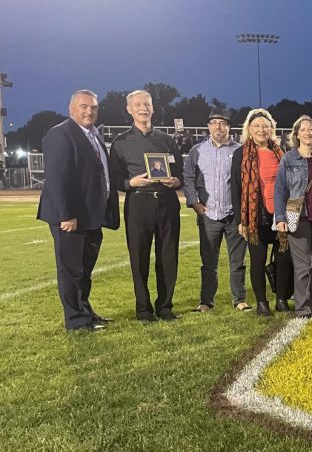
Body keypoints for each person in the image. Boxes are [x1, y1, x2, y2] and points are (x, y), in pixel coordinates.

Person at [37, 89, 120, 331]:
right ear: (71, 109)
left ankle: (85, 311)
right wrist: (66, 215)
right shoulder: (60, 134)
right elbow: (58, 178)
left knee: (84, 270)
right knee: (72, 270)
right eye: (84, 106)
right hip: (71, 218)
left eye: (93, 107)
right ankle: (76, 320)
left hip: (91, 216)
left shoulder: (94, 135)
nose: (89, 111)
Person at [108, 90, 183, 322]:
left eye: (147, 104)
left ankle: (165, 306)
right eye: (138, 104)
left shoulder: (167, 140)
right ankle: (143, 309)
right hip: (139, 201)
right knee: (138, 256)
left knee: (168, 256)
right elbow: (113, 178)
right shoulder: (120, 143)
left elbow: (179, 173)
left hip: (167, 202)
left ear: (153, 108)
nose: (143, 108)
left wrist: (175, 181)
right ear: (129, 109)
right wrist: (130, 182)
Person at [182, 108, 248, 313]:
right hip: (209, 214)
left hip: (233, 214)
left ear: (229, 127)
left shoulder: (240, 150)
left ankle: (239, 299)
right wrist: (194, 203)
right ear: (208, 126)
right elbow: (189, 178)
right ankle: (206, 301)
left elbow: (246, 182)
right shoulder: (197, 151)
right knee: (208, 261)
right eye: (214, 123)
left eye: (223, 123)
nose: (218, 127)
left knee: (237, 261)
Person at [231, 108, 294, 317]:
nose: (261, 129)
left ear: (272, 129)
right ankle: (261, 302)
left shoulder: (280, 150)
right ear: (249, 129)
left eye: (265, 126)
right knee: (257, 261)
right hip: (255, 215)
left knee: (283, 259)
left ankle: (282, 299)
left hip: (280, 213)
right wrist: (242, 220)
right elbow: (237, 189)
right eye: (257, 126)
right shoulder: (241, 153)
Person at [275, 115, 312, 318]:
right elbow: (280, 189)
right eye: (303, 129)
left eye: (311, 129)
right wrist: (280, 218)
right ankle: (303, 307)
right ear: (296, 134)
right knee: (303, 264)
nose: (307, 132)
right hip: (298, 217)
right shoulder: (288, 158)